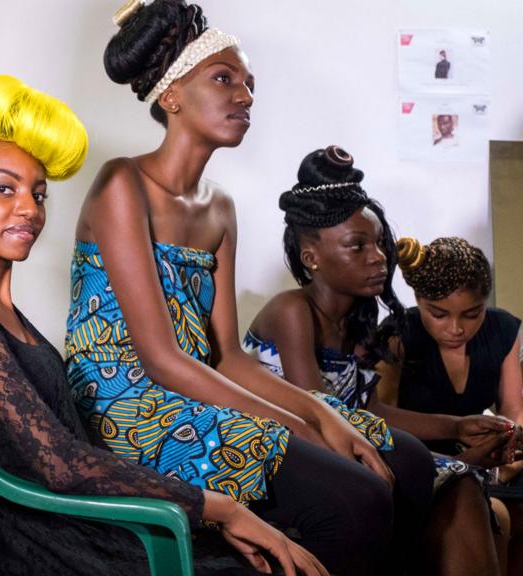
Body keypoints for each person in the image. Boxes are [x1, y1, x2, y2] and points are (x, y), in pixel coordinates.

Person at [0, 67, 327, 576]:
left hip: (91, 526)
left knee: (294, 536)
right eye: (4, 190)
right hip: (57, 550)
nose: (28, 209)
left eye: (38, 194)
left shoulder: (6, 316)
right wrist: (218, 507)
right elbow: (61, 464)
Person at [64, 3, 428, 574]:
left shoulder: (220, 208)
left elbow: (229, 356)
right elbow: (159, 359)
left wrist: (322, 414)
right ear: (172, 96)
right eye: (224, 79)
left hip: (197, 386)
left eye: (249, 84)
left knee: (408, 462)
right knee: (356, 494)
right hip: (129, 406)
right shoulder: (121, 183)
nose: (245, 96)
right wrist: (304, 424)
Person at [243, 147, 503, 576]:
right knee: (457, 478)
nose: (379, 256)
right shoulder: (291, 311)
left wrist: (457, 426)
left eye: (380, 242)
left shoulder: (359, 322)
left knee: (463, 487)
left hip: (345, 448)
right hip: (290, 459)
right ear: (312, 257)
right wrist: (457, 456)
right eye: (357, 246)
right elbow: (322, 413)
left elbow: (368, 412)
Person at [376, 236, 523, 576]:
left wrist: (509, 441)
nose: (456, 329)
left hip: (485, 460)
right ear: (417, 299)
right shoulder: (399, 333)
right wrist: (463, 460)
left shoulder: (504, 329)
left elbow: (513, 408)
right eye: (438, 314)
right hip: (415, 463)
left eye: (473, 314)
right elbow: (380, 424)